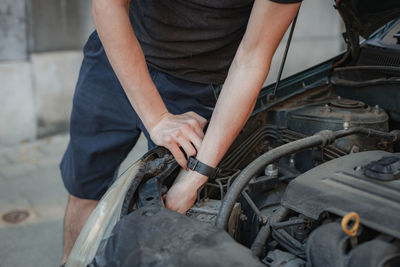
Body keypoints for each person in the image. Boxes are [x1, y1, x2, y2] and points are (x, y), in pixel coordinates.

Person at [60, 0, 302, 263]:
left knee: (177, 208)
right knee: (84, 189)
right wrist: (157, 118)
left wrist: (199, 173)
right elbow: (108, 5)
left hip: (195, 88)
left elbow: (252, 59)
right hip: (114, 58)